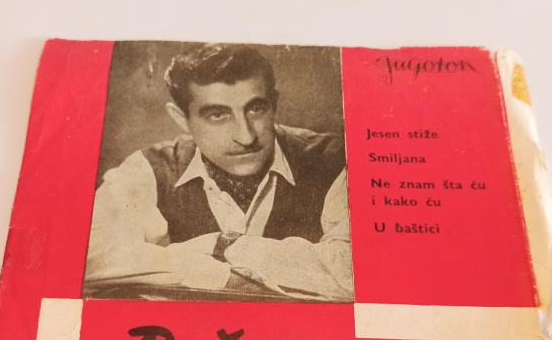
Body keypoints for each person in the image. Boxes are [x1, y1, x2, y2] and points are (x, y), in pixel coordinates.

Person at [84, 43, 353, 301]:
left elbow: (353, 274)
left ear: (274, 105)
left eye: (256, 109)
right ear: (182, 119)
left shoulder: (335, 159)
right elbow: (87, 258)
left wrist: (225, 246)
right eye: (218, 115)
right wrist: (218, 275)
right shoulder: (150, 168)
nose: (246, 137)